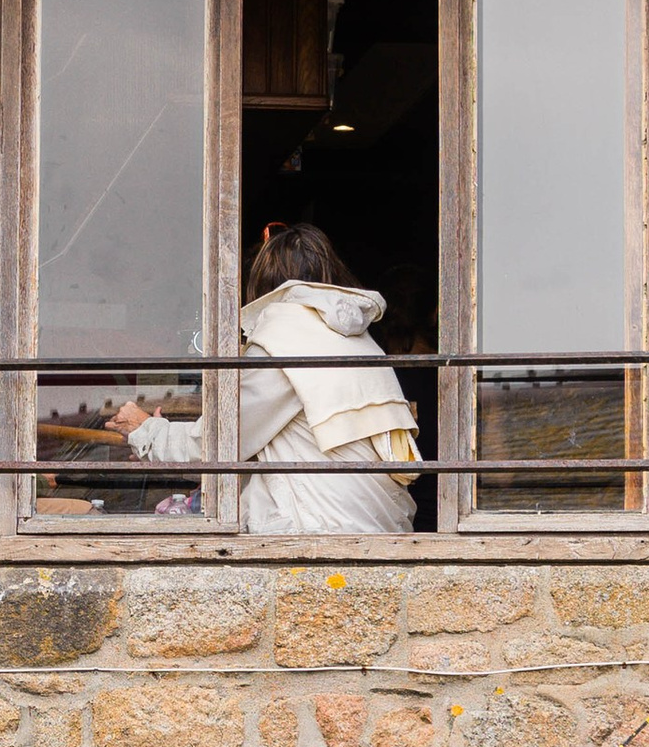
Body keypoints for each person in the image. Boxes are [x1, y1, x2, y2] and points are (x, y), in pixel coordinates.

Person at [110, 222, 418, 535]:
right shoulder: (363, 342)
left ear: (263, 284)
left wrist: (145, 430)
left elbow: (219, 444)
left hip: (321, 529)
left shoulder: (284, 337)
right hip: (379, 525)